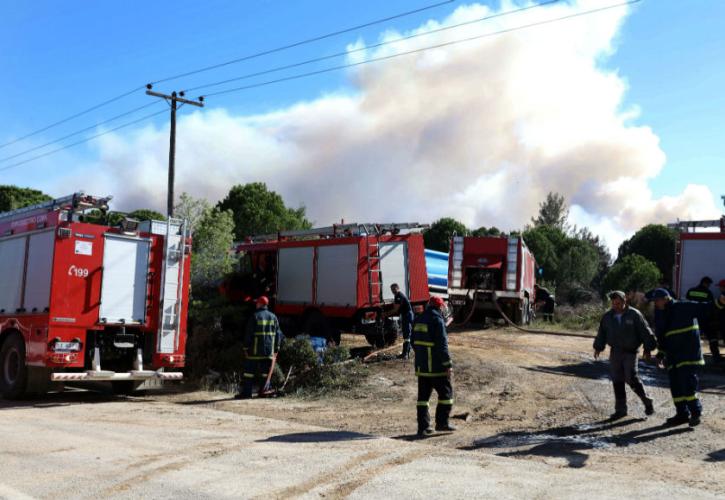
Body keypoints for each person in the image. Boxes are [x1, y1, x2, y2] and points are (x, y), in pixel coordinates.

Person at [593, 291, 657, 419]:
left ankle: (646, 401)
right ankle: (620, 410)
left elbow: (645, 331)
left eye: (618, 303)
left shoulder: (634, 315)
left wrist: (648, 348)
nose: (615, 305)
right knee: (617, 379)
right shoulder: (608, 317)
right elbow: (602, 332)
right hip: (615, 352)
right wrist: (598, 347)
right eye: (613, 303)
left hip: (630, 351)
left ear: (624, 301)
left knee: (631, 377)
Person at [651, 288, 706, 427]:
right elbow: (663, 339)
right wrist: (660, 354)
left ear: (666, 298)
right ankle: (682, 414)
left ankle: (695, 413)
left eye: (657, 300)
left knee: (688, 386)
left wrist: (720, 302)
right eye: (655, 301)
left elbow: (705, 307)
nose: (656, 304)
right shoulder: (662, 315)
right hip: (674, 358)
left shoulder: (683, 307)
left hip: (688, 356)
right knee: (676, 388)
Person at [411, 296, 455, 437]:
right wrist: (448, 364)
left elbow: (413, 342)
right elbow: (442, 345)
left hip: (422, 366)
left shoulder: (418, 318)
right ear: (439, 307)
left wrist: (422, 355)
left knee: (423, 399)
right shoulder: (437, 320)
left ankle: (423, 428)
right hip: (436, 367)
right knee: (446, 395)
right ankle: (442, 423)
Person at [236, 296, 284, 399]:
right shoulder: (273, 317)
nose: (256, 304)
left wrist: (246, 348)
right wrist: (277, 348)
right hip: (268, 351)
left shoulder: (255, 316)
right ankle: (264, 391)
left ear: (260, 304)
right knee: (264, 373)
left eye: (257, 303)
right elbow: (278, 335)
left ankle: (247, 393)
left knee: (249, 373)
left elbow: (248, 334)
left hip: (254, 351)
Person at [685, 276, 719, 363]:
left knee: (691, 337)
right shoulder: (708, 293)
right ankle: (716, 356)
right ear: (705, 283)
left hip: (692, 318)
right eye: (708, 284)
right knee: (712, 337)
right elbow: (711, 307)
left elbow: (686, 303)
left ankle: (689, 356)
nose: (709, 286)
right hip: (704, 318)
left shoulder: (691, 291)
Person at [389, 283, 414, 359]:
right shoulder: (397, 295)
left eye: (394, 289)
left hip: (407, 315)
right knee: (407, 335)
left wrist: (385, 314)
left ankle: (405, 354)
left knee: (407, 335)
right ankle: (406, 353)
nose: (393, 291)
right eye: (392, 289)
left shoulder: (399, 296)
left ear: (398, 288)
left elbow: (395, 309)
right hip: (406, 315)